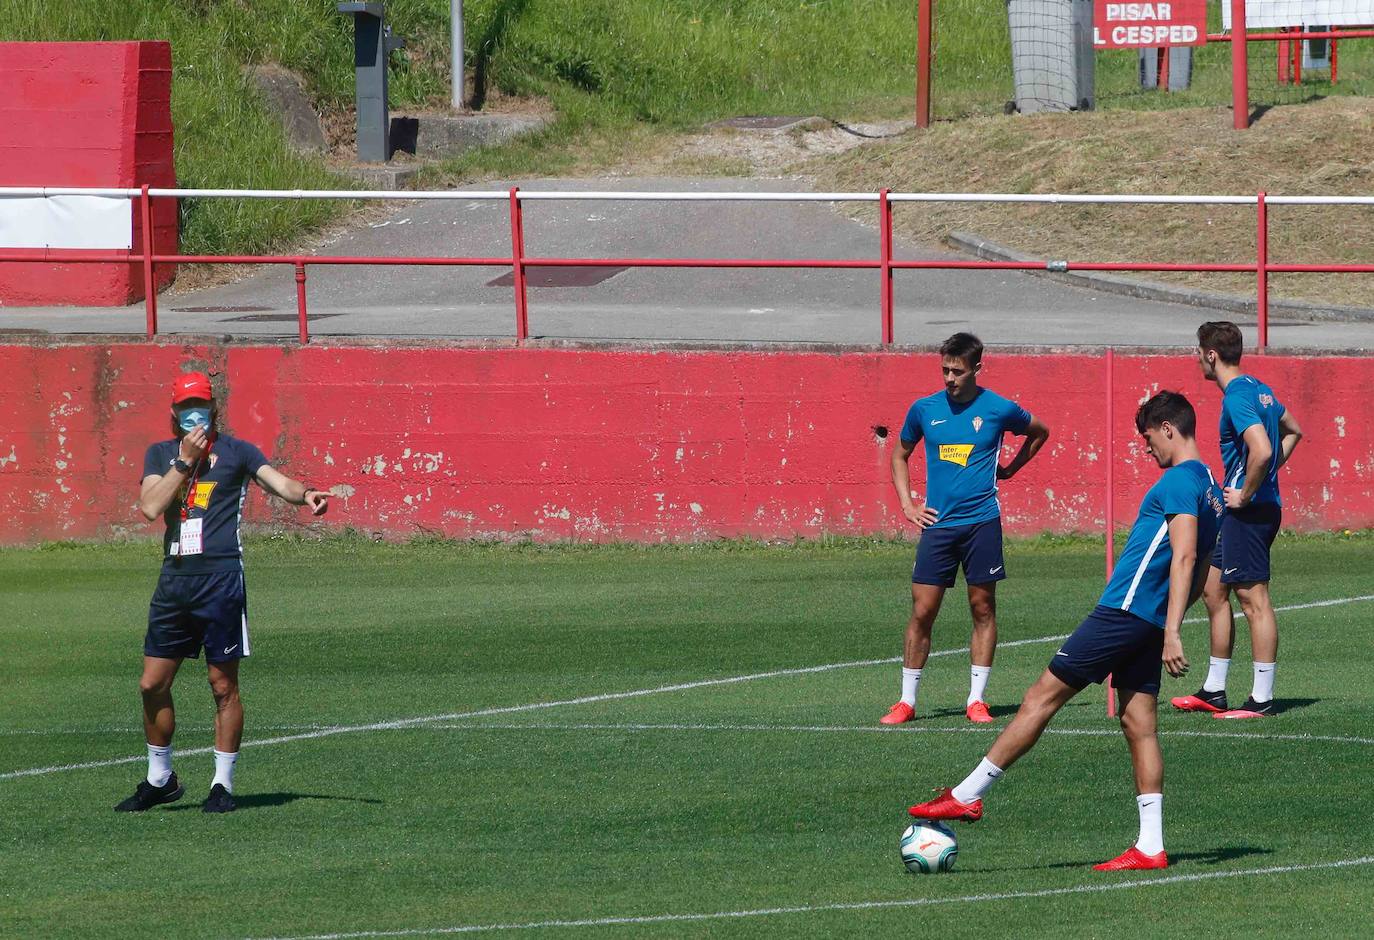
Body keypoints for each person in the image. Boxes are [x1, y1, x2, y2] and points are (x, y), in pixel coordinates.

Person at [907, 391, 1223, 871]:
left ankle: (968, 794)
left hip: (1123, 613)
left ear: (1168, 429)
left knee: (1040, 696)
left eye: (1146, 438)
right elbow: (1200, 569)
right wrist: (1165, 625)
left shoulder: (1180, 481)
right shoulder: (1211, 488)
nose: (1145, 448)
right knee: (1140, 726)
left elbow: (1183, 556)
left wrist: (1173, 630)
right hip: (1147, 621)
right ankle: (1151, 847)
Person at [115, 370, 334, 814]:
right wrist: (184, 461)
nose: (193, 412)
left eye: (201, 403)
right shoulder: (160, 454)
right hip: (175, 581)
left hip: (221, 581)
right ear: (174, 414)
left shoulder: (237, 452)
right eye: (185, 406)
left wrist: (306, 493)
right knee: (151, 683)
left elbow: (278, 481)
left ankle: (222, 784)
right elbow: (150, 507)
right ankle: (161, 779)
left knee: (222, 685)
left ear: (213, 407)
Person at [883, 333, 1050, 726]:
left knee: (983, 608)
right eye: (944, 370)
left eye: (957, 371)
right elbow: (900, 454)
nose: (949, 378)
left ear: (977, 368)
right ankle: (906, 701)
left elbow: (1040, 431)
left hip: (982, 524)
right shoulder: (924, 409)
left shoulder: (998, 408)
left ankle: (976, 699)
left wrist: (1010, 469)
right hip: (938, 526)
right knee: (923, 610)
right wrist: (908, 505)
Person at [1172, 321, 1303, 719]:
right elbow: (1293, 431)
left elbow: (1262, 450)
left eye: (1199, 351)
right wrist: (1262, 479)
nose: (1197, 358)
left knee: (1253, 599)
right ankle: (1214, 688)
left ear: (1210, 354)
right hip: (1242, 510)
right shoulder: (1258, 389)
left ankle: (1261, 700)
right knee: (1214, 590)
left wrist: (1246, 492)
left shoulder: (1236, 398)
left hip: (1249, 511)